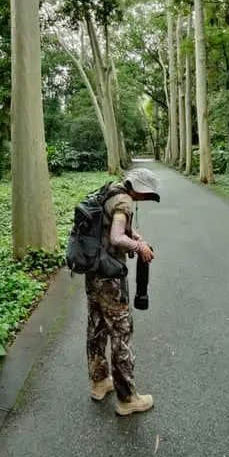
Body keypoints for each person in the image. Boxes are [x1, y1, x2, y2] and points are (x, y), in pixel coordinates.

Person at [86, 167, 160, 416]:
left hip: (93, 272)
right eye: (145, 194)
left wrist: (135, 236)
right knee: (121, 332)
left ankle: (99, 382)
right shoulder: (125, 202)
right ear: (138, 188)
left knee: (96, 328)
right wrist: (139, 246)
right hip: (109, 279)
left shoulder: (110, 192)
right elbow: (117, 237)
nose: (143, 198)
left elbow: (111, 228)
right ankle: (127, 398)